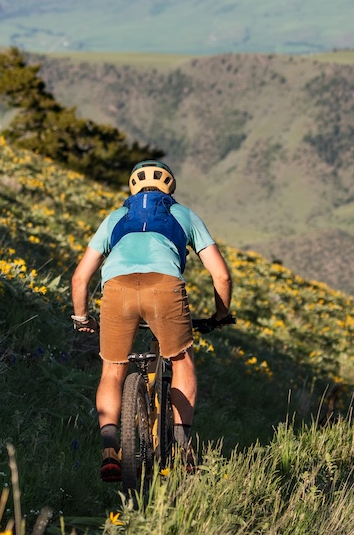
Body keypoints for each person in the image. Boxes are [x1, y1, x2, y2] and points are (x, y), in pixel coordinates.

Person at [70, 159, 233, 481]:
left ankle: (109, 450)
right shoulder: (183, 214)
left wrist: (81, 317)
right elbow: (222, 276)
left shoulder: (116, 217)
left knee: (113, 369)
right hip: (164, 288)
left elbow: (79, 278)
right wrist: (220, 315)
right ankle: (185, 449)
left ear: (132, 187)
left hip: (116, 289)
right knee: (182, 360)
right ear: (169, 187)